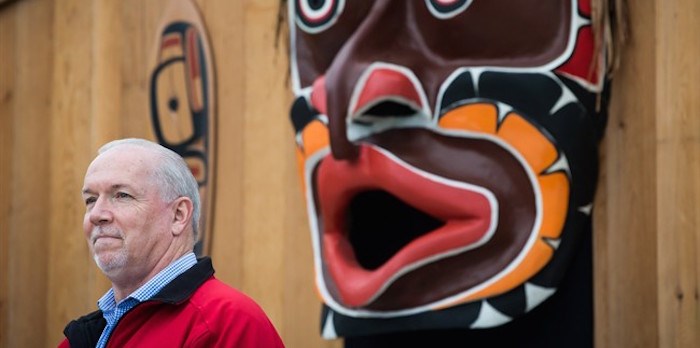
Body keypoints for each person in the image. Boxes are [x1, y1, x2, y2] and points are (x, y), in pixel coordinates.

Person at [59, 138, 285, 347]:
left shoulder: (229, 324)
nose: (97, 214)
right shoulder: (81, 338)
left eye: (122, 195)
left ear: (178, 215)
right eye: (90, 200)